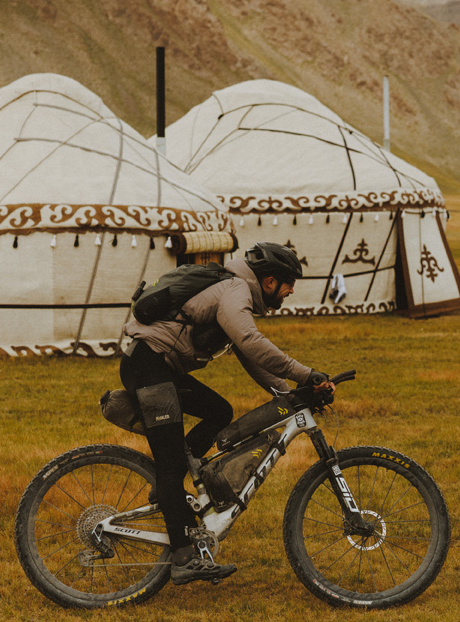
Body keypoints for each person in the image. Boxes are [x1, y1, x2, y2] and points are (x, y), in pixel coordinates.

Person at [119, 242, 333, 585]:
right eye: (289, 281)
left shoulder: (234, 290)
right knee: (170, 464)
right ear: (269, 281)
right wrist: (305, 373)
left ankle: (171, 485)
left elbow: (250, 357)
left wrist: (289, 394)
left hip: (157, 366)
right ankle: (184, 558)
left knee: (219, 412)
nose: (292, 290)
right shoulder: (235, 290)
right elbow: (250, 341)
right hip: (149, 367)